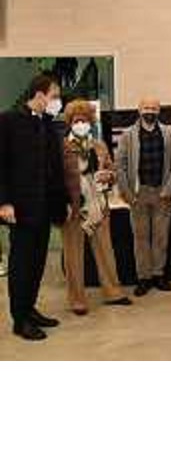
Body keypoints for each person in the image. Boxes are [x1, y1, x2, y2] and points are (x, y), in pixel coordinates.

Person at [0, 73, 69, 340]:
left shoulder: (49, 125)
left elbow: (56, 169)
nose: (57, 101)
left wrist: (64, 202)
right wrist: (4, 201)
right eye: (54, 96)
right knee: (21, 265)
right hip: (20, 208)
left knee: (38, 263)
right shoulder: (8, 121)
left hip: (45, 207)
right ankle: (20, 320)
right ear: (39, 95)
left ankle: (30, 310)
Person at [62, 100, 132, 315]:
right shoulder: (62, 147)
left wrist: (108, 176)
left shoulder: (99, 146)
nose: (81, 124)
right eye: (77, 120)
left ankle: (113, 292)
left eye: (84, 120)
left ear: (91, 122)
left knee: (105, 250)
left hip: (99, 205)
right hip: (73, 207)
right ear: (70, 123)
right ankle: (77, 300)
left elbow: (112, 171)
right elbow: (55, 178)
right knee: (73, 255)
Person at [116, 97, 171, 296]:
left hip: (162, 192)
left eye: (153, 108)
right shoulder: (127, 135)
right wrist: (128, 194)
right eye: (146, 107)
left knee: (161, 236)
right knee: (141, 238)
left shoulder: (169, 134)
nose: (149, 111)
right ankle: (144, 277)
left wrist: (169, 188)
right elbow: (120, 166)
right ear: (139, 109)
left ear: (159, 110)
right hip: (139, 193)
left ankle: (158, 274)